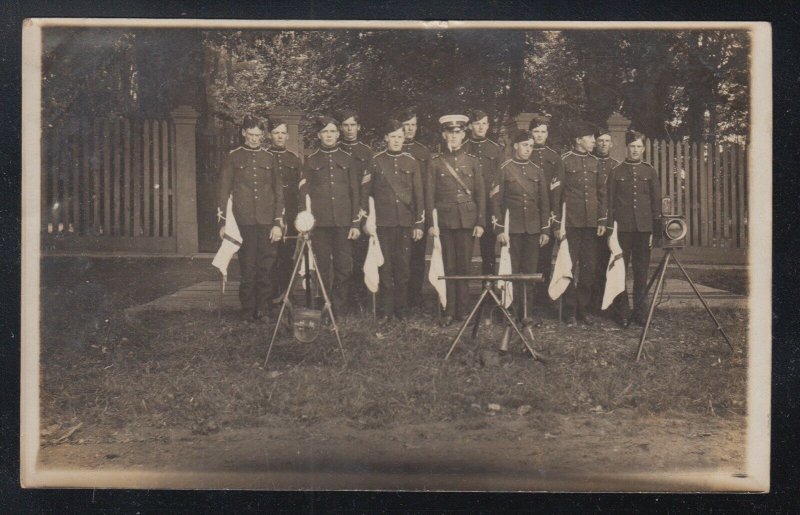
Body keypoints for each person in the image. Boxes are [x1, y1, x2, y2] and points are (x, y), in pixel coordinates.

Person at [217, 115, 284, 321]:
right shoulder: (233, 157)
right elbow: (223, 190)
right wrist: (223, 222)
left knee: (265, 267)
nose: (255, 139)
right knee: (247, 267)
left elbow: (278, 192)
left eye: (258, 135)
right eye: (251, 134)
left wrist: (277, 223)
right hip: (243, 220)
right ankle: (247, 311)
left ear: (263, 135)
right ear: (244, 133)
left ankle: (263, 310)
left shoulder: (269, 158)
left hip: (266, 221)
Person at [361, 119, 425, 321]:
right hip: (383, 223)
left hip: (405, 223)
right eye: (393, 137)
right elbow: (365, 194)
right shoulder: (376, 161)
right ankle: (386, 310)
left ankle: (402, 310)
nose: (397, 140)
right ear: (386, 138)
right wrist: (366, 221)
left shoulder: (411, 162)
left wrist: (419, 223)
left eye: (400, 136)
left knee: (403, 267)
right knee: (385, 266)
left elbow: (418, 196)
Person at [298, 115, 363, 315]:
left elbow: (355, 193)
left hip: (344, 223)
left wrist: (355, 223)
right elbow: (303, 193)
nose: (329, 135)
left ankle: (339, 309)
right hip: (320, 224)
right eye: (325, 132)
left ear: (338, 134)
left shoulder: (348, 159)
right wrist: (306, 223)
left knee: (344, 267)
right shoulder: (311, 160)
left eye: (333, 131)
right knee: (323, 268)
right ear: (319, 135)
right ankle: (325, 307)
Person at [426, 113, 485, 327]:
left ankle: (463, 310)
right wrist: (432, 224)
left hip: (467, 220)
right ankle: (449, 310)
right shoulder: (435, 163)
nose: (454, 136)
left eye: (458, 132)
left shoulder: (473, 162)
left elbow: (480, 194)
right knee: (449, 265)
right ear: (443, 135)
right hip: (445, 220)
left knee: (465, 265)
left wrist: (480, 222)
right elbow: (429, 195)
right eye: (450, 132)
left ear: (463, 135)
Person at [490, 129, 551, 326]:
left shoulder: (537, 170)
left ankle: (526, 314)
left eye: (531, 146)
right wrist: (499, 229)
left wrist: (545, 229)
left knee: (529, 272)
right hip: (512, 230)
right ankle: (510, 311)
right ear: (515, 146)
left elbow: (544, 203)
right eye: (525, 145)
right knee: (511, 272)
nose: (528, 149)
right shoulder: (504, 169)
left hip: (532, 230)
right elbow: (495, 202)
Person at [606, 130, 662, 327]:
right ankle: (622, 311)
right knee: (621, 270)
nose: (636, 150)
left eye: (639, 146)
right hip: (623, 229)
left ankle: (641, 312)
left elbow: (656, 201)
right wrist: (610, 230)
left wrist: (656, 227)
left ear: (644, 148)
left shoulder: (649, 171)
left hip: (643, 229)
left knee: (641, 272)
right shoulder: (617, 172)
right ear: (626, 148)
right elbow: (610, 202)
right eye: (632, 147)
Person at [557, 121, 607, 326]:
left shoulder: (596, 163)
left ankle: (582, 310)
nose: (594, 142)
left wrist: (602, 219)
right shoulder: (565, 161)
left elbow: (602, 193)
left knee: (589, 268)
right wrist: (557, 224)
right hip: (571, 222)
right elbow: (558, 194)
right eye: (590, 138)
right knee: (569, 267)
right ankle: (569, 311)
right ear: (579, 140)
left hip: (591, 223)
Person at [337, 109, 374, 313]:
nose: (349, 129)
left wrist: (363, 213)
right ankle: (343, 300)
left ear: (359, 127)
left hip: (360, 209)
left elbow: (367, 185)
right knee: (343, 257)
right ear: (341, 128)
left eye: (353, 125)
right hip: (341, 210)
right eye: (346, 125)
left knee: (360, 255)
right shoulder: (335, 149)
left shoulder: (366, 152)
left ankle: (360, 299)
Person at [528, 114, 565, 311]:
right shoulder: (525, 153)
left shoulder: (554, 157)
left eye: (543, 132)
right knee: (528, 259)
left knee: (544, 259)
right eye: (536, 131)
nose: (539, 135)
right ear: (530, 133)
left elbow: (557, 193)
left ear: (547, 134)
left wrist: (555, 220)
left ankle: (543, 299)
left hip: (547, 216)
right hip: (528, 215)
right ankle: (527, 300)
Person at [265, 117, 302, 304]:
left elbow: (300, 190)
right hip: (269, 215)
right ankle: (270, 296)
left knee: (287, 255)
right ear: (269, 135)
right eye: (276, 133)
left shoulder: (294, 160)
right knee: (270, 256)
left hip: (290, 214)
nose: (279, 137)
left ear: (287, 136)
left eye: (282, 133)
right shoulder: (264, 157)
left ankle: (287, 294)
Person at [398, 108, 433, 308]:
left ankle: (415, 298)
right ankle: (399, 299)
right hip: (398, 211)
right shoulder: (393, 147)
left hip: (418, 211)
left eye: (413, 125)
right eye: (406, 126)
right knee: (399, 257)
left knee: (417, 258)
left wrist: (424, 214)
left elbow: (427, 186)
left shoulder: (423, 152)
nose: (410, 129)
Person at [464, 109, 504, 276]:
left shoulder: (496, 149)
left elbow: (499, 180)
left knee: (488, 253)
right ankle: (463, 297)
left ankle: (488, 295)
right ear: (470, 126)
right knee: (464, 253)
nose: (481, 127)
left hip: (488, 207)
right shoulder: (463, 146)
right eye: (477, 124)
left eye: (484, 124)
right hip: (466, 207)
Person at [591, 125, 620, 313]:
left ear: (612, 144)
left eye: (607, 141)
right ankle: (592, 304)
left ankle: (608, 303)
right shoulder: (590, 162)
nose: (603, 144)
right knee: (591, 263)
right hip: (591, 219)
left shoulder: (616, 165)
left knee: (608, 260)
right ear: (595, 143)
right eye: (600, 140)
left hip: (610, 219)